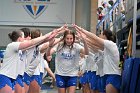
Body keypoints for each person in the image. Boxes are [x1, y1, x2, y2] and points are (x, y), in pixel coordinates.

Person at [73, 24, 121, 93]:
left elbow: (95, 39)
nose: (99, 36)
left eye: (101, 34)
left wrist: (82, 31)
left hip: (112, 75)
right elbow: (92, 44)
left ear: (104, 35)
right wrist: (82, 39)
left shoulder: (111, 45)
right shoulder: (104, 49)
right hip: (104, 75)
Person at [46, 29, 89, 93]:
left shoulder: (76, 47)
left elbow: (86, 52)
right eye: (67, 38)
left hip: (72, 75)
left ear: (73, 39)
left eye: (71, 38)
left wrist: (85, 41)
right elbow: (48, 54)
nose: (69, 40)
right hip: (60, 75)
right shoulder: (59, 46)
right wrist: (50, 46)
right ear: (64, 38)